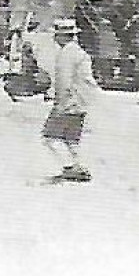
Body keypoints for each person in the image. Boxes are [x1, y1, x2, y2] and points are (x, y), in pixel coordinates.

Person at [42, 18, 98, 182]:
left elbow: (64, 81)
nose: (54, 38)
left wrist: (59, 102)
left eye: (56, 35)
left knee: (49, 138)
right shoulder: (79, 53)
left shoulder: (67, 54)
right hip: (80, 102)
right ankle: (79, 165)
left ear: (63, 36)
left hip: (68, 101)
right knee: (71, 139)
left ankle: (71, 168)